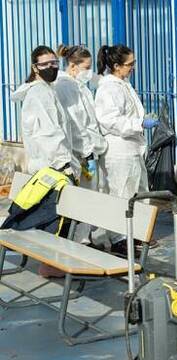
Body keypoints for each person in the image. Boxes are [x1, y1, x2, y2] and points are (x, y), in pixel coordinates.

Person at [94, 44, 158, 256]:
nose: (133, 68)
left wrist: (141, 120)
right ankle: (119, 240)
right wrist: (139, 124)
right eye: (130, 64)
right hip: (119, 151)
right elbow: (109, 120)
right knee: (122, 195)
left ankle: (136, 234)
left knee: (138, 192)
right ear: (116, 66)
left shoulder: (122, 83)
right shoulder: (108, 88)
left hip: (132, 148)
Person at [55, 44, 108, 245]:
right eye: (86, 67)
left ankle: (85, 238)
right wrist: (86, 153)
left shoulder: (78, 85)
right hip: (79, 153)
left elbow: (89, 121)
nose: (89, 72)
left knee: (89, 198)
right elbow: (75, 123)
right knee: (83, 199)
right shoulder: (65, 86)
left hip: (88, 151)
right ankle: (81, 241)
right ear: (73, 66)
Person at [10, 45, 80, 181]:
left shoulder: (47, 89)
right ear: (35, 68)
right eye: (44, 64)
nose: (51, 67)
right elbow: (48, 133)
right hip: (52, 168)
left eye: (54, 63)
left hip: (50, 166)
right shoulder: (39, 93)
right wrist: (63, 164)